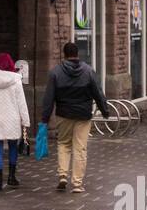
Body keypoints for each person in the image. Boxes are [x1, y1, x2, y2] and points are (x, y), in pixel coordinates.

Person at [40, 41, 113, 194]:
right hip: (83, 115)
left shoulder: (55, 72)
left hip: (64, 114)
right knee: (80, 148)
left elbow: (49, 98)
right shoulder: (88, 71)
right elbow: (98, 93)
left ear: (64, 55)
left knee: (64, 144)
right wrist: (105, 111)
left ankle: (62, 176)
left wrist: (45, 118)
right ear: (77, 54)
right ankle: (77, 183)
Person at [0, 52, 29, 191]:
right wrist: (25, 121)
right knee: (13, 146)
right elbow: (21, 103)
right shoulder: (15, 79)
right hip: (12, 118)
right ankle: (11, 177)